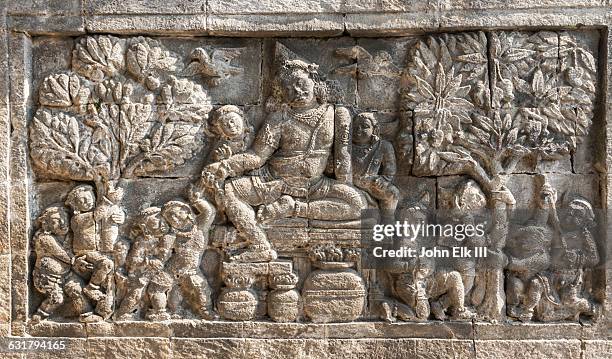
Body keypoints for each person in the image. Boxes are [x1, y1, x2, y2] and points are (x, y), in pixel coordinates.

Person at [202, 56, 365, 262]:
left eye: (300, 83)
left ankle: (294, 208)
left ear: (315, 81)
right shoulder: (278, 118)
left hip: (316, 185)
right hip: (273, 181)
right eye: (288, 88)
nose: (296, 91)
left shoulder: (338, 114)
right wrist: (225, 165)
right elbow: (257, 156)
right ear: (281, 93)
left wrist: (344, 187)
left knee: (358, 203)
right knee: (230, 190)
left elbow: (343, 158)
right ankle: (260, 246)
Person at [65, 185, 115, 322]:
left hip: (94, 252)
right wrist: (108, 200)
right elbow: (98, 214)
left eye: (89, 198)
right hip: (85, 252)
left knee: (107, 268)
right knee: (106, 263)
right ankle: (92, 287)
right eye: (82, 201)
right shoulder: (78, 219)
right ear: (76, 206)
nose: (87, 202)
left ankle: (99, 303)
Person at [163, 200, 216, 319]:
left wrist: (197, 200)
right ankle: (173, 310)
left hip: (192, 268)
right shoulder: (172, 234)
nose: (174, 218)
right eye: (170, 217)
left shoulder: (199, 226)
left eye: (176, 214)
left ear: (186, 211)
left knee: (201, 287)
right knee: (173, 290)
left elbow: (209, 212)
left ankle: (205, 309)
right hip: (173, 269)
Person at [351, 112, 399, 222]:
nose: (359, 130)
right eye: (355, 127)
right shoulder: (347, 146)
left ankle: (387, 221)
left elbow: (390, 168)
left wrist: (384, 179)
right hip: (351, 181)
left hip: (372, 183)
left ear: (375, 129)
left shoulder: (384, 146)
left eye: (365, 127)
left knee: (393, 193)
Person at [31, 206, 72, 322]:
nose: (63, 222)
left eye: (64, 218)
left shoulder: (66, 237)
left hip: (64, 275)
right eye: (56, 221)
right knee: (57, 299)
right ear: (46, 224)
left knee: (76, 291)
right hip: (46, 278)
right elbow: (60, 253)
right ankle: (41, 314)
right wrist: (74, 260)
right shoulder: (45, 238)